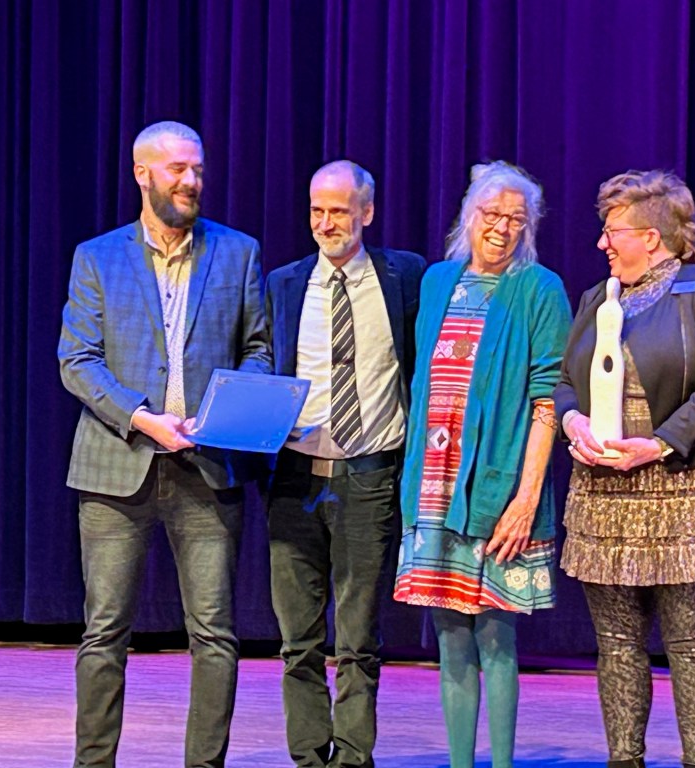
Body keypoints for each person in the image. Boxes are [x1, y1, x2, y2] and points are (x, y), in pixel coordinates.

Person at [58, 120, 271, 768]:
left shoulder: (236, 253)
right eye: (178, 169)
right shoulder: (98, 257)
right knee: (104, 632)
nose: (191, 180)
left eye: (198, 169)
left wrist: (223, 413)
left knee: (214, 635)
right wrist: (144, 417)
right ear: (142, 173)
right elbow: (78, 359)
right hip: (116, 464)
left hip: (204, 469)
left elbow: (258, 350)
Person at [553, 170, 695, 768]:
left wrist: (663, 442)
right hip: (606, 488)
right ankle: (625, 760)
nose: (601, 244)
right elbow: (567, 382)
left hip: (691, 487)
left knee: (692, 643)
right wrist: (574, 425)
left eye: (612, 231)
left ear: (655, 235)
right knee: (616, 643)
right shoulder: (599, 299)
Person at [393, 161, 572, 768]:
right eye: (491, 215)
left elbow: (549, 397)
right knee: (448, 637)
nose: (502, 228)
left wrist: (526, 499)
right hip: (436, 488)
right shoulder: (439, 281)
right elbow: (423, 386)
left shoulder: (539, 288)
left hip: (497, 491)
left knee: (496, 636)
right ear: (469, 216)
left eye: (516, 219)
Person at [264, 160, 426, 768]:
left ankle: (354, 757)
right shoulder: (284, 282)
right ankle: (309, 756)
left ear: (367, 212)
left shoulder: (404, 275)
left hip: (370, 475)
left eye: (338, 210)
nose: (326, 222)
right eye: (316, 210)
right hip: (295, 475)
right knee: (297, 639)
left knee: (358, 637)